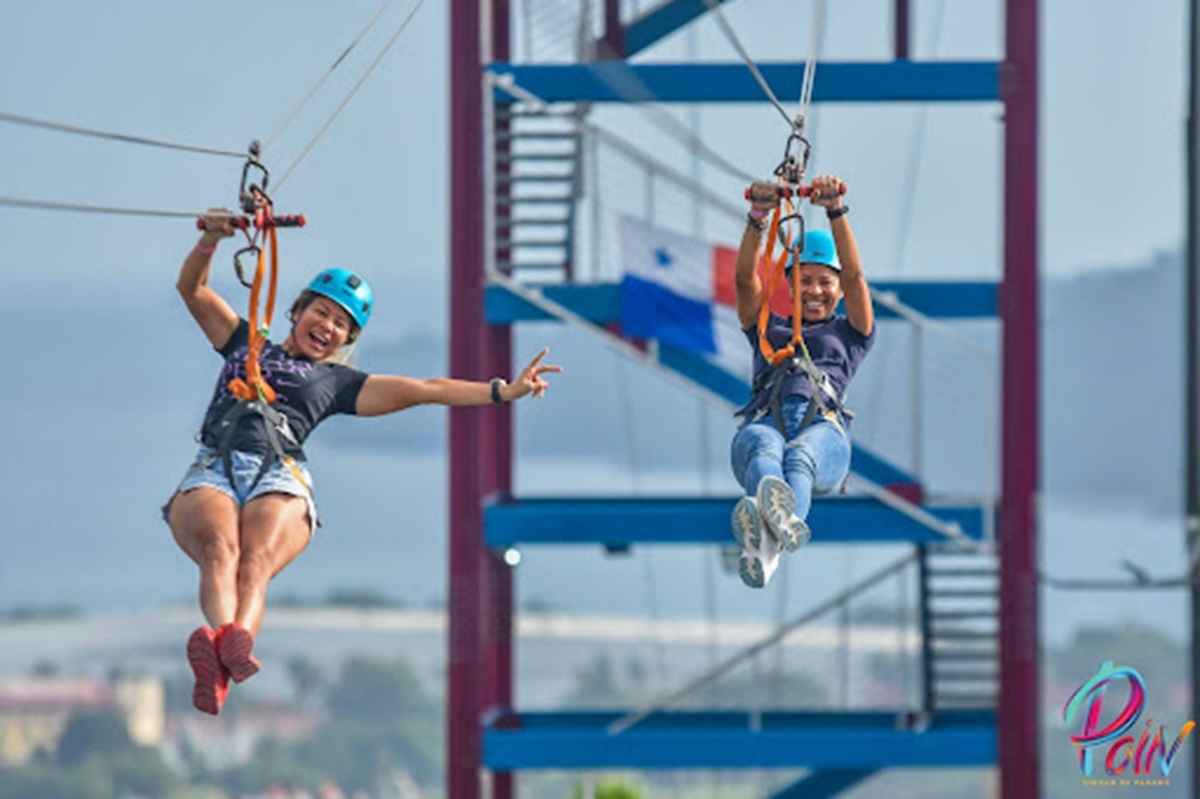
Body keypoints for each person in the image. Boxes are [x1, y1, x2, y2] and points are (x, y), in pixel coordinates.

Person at [165, 211, 562, 714]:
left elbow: (426, 390)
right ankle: (223, 647)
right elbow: (192, 290)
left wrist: (503, 391)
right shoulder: (245, 342)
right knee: (219, 547)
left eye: (341, 324)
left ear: (347, 340)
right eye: (323, 312)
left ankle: (233, 642)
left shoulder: (339, 385)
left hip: (277, 470)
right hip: (216, 464)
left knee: (256, 559)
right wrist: (210, 241)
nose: (328, 327)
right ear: (298, 309)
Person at [729, 175, 875, 588]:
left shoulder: (852, 334)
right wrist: (758, 217)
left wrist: (836, 211)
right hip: (765, 421)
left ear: (838, 289)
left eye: (825, 282)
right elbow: (744, 282)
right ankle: (774, 538)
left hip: (822, 431)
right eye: (804, 280)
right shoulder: (766, 328)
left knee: (800, 457)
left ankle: (776, 531)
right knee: (764, 449)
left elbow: (856, 278)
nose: (815, 290)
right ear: (789, 284)